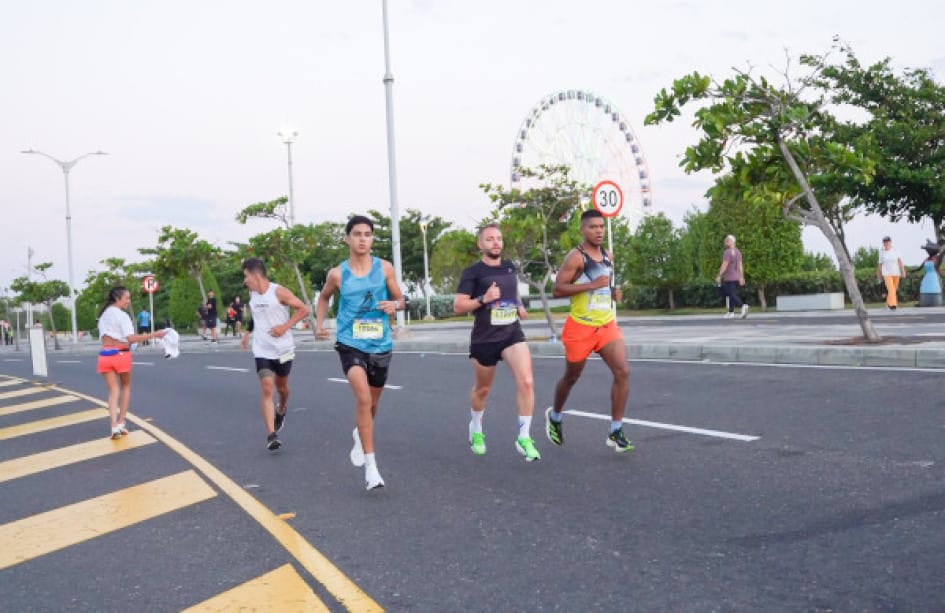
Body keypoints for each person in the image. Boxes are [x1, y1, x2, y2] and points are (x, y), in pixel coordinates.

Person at [315, 215, 406, 490]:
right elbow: (324, 298)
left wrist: (395, 305)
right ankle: (371, 469)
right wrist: (319, 324)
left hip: (380, 343)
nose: (363, 238)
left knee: (372, 405)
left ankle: (360, 433)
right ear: (347, 239)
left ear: (372, 239)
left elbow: (401, 300)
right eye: (357, 234)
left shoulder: (385, 268)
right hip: (349, 342)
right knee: (363, 398)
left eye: (367, 234)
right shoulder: (337, 274)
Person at [544, 209, 634, 453]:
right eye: (593, 227)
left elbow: (608, 283)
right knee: (572, 376)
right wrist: (592, 285)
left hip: (606, 325)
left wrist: (615, 293)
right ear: (583, 230)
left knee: (623, 371)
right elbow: (558, 290)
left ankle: (615, 430)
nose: (599, 231)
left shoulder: (608, 255)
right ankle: (555, 416)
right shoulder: (576, 257)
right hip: (580, 327)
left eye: (601, 227)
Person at [454, 223, 540, 461]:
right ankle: (476, 427)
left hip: (511, 333)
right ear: (480, 244)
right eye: (490, 239)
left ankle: (524, 437)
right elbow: (459, 306)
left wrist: (520, 306)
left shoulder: (510, 267)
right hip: (485, 339)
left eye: (499, 238)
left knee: (526, 381)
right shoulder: (473, 272)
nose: (496, 243)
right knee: (483, 389)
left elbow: (513, 293)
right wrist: (484, 298)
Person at [240, 258, 310, 451]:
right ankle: (272, 435)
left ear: (255, 275)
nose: (244, 280)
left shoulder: (278, 291)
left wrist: (284, 326)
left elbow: (304, 309)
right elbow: (256, 318)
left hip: (284, 349)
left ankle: (282, 409)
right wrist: (247, 334)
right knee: (267, 387)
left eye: (246, 276)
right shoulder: (252, 295)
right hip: (262, 350)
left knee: (282, 388)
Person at [97, 286, 166, 439]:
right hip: (121, 354)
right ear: (117, 298)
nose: (129, 301)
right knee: (126, 387)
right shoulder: (122, 316)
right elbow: (131, 338)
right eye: (127, 298)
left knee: (113, 391)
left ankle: (114, 426)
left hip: (105, 355)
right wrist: (156, 334)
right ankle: (121, 422)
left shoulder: (103, 316)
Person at [715, 235, 748, 319]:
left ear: (732, 241)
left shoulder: (727, 252)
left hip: (729, 277)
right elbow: (740, 266)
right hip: (736, 277)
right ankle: (731, 312)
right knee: (731, 295)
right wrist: (741, 277)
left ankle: (742, 305)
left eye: (727, 240)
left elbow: (724, 265)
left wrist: (719, 275)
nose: (725, 242)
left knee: (731, 294)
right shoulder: (738, 252)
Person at [877, 236, 906, 310]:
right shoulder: (882, 252)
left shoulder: (895, 250)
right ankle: (893, 305)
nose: (886, 243)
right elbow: (880, 264)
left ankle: (888, 303)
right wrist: (879, 275)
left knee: (894, 289)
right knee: (891, 289)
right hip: (886, 273)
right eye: (885, 242)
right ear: (883, 243)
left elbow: (900, 261)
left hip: (896, 273)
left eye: (887, 241)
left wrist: (903, 271)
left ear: (890, 242)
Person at [912, 240, 943, 307]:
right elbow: (920, 267)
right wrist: (914, 270)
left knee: (935, 288)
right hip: (927, 277)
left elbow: (942, 254)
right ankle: (923, 302)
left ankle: (937, 302)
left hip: (935, 277)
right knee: (924, 288)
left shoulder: (937, 258)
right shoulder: (927, 259)